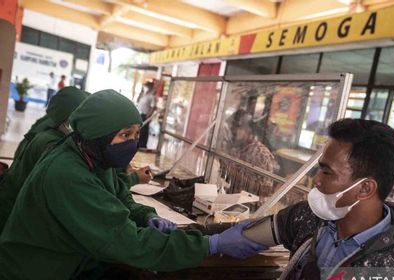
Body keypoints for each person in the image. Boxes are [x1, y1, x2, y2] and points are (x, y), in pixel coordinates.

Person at [0, 89, 266, 279]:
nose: (132, 143)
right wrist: (211, 245)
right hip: (38, 269)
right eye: (124, 135)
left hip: (70, 261)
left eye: (136, 134)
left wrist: (146, 215)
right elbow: (128, 243)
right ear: (97, 136)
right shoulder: (67, 174)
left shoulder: (93, 158)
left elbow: (120, 199)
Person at [249, 119, 394, 280]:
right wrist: (220, 242)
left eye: (327, 172)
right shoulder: (310, 217)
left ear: (365, 188)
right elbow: (244, 237)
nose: (317, 180)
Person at [0, 86, 87, 232]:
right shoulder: (51, 143)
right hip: (15, 218)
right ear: (71, 117)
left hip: (11, 201)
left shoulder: (48, 124)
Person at [221, 109, 276, 200]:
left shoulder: (260, 153)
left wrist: (234, 174)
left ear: (249, 130)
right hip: (232, 201)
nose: (233, 131)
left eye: (238, 127)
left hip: (252, 208)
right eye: (232, 127)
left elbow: (267, 191)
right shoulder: (236, 148)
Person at [137, 81, 157, 148]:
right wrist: (141, 93)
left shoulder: (151, 96)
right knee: (139, 130)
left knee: (144, 131)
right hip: (139, 114)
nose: (145, 88)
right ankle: (138, 143)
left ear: (150, 87)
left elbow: (153, 107)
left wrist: (148, 116)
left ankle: (142, 145)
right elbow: (138, 101)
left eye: (146, 86)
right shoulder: (143, 95)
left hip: (145, 115)